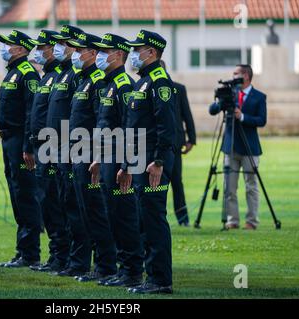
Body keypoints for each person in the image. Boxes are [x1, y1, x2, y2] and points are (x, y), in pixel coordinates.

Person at [89, 33, 144, 288]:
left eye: (105, 51)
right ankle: (122, 269)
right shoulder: (109, 84)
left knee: (123, 216)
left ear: (118, 55)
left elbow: (131, 128)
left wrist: (127, 166)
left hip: (120, 159)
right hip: (107, 157)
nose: (100, 56)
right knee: (112, 214)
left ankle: (132, 270)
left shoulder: (123, 85)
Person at [124, 30, 176, 294]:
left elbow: (166, 125)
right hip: (138, 160)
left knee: (153, 219)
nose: (133, 54)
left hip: (152, 162)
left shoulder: (159, 82)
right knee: (143, 220)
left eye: (137, 49)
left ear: (151, 52)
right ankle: (151, 276)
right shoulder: (142, 81)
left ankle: (160, 279)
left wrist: (158, 160)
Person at [66, 32, 118, 282]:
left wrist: (97, 155)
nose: (75, 54)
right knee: (84, 212)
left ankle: (106, 265)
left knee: (97, 212)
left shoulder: (98, 80)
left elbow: (101, 122)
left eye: (79, 50)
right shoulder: (84, 80)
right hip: (79, 152)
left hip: (91, 156)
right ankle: (94, 265)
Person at [0, 30, 42, 268]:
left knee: (25, 195)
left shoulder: (27, 74)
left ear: (22, 49)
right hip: (8, 141)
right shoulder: (12, 73)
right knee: (16, 194)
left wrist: (28, 147)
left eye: (9, 45)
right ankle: (23, 250)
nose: (5, 48)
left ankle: (31, 253)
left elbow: (30, 114)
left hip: (19, 142)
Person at [44, 24, 87, 277]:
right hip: (54, 147)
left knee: (75, 207)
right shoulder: (61, 74)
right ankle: (65, 258)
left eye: (64, 44)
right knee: (60, 204)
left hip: (72, 149)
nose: (58, 48)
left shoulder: (75, 76)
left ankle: (78, 261)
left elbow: (77, 118)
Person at [27, 29, 70, 273]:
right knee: (47, 203)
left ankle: (63, 256)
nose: (38, 52)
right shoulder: (48, 77)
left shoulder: (62, 76)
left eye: (42, 47)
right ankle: (56, 255)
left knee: (57, 204)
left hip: (57, 148)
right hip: (42, 147)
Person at [209, 64, 267, 230]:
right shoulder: (230, 94)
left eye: (236, 74)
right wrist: (220, 102)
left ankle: (252, 221)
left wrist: (242, 116)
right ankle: (232, 220)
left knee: (251, 186)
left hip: (250, 147)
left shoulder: (259, 96)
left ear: (246, 76)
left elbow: (262, 120)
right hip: (230, 147)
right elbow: (212, 110)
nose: (233, 76)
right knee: (229, 187)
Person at [160, 60, 197, 226]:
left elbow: (187, 115)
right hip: (155, 145)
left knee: (176, 182)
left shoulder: (178, 89)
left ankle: (183, 219)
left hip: (175, 144)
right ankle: (156, 218)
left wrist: (192, 139)